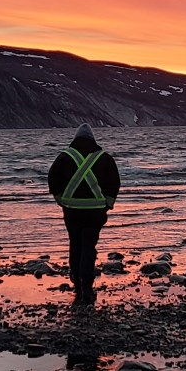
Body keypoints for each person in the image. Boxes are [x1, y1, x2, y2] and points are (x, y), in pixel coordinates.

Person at [47, 124, 120, 305]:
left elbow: (52, 177)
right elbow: (114, 182)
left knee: (75, 242)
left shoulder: (65, 157)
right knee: (89, 245)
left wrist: (59, 198)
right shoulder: (104, 158)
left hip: (71, 210)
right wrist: (108, 203)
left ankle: (76, 281)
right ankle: (87, 284)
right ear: (93, 139)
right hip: (95, 211)